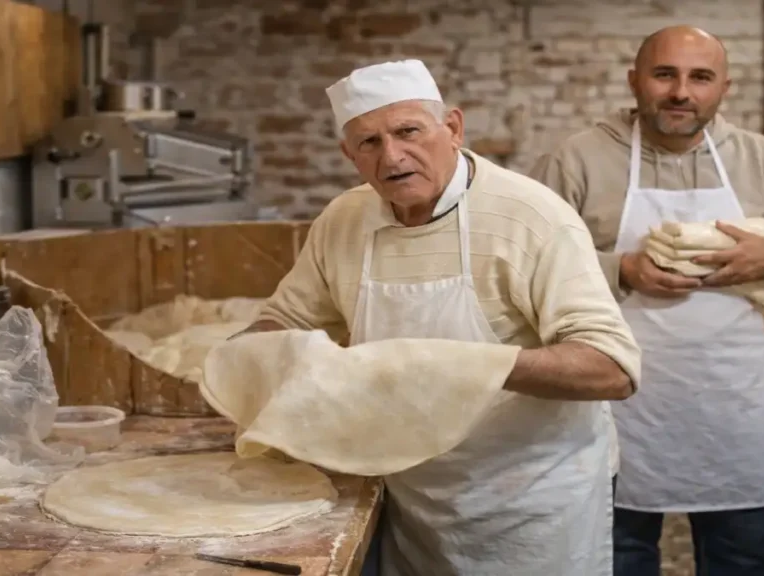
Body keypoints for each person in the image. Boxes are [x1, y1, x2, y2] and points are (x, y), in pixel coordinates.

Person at [235, 59, 642, 575]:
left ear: (452, 127)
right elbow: (283, 320)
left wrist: (473, 366)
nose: (393, 156)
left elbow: (612, 367)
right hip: (411, 493)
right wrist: (255, 357)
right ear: (348, 154)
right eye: (369, 143)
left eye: (408, 132)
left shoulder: (532, 217)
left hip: (530, 501)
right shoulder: (344, 220)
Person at [528, 26, 764, 576]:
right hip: (615, 402)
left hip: (728, 399)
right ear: (635, 81)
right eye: (664, 74)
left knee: (741, 559)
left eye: (700, 77)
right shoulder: (578, 159)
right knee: (620, 555)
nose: (682, 92)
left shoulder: (760, 158)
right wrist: (622, 268)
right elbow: (531, 263)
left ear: (723, 87)